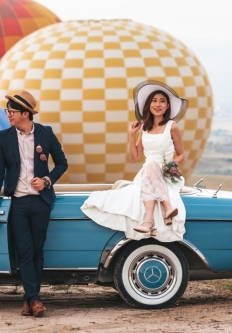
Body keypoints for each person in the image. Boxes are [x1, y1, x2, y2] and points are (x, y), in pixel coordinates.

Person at [0, 90, 68, 318]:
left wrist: (47, 181)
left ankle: (29, 300)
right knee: (25, 252)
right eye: (7, 110)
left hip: (41, 202)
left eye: (12, 111)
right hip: (17, 203)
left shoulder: (46, 134)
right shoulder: (4, 137)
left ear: (26, 113)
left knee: (38, 251)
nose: (8, 114)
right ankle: (35, 299)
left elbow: (61, 163)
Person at [80, 81, 187, 242]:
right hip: (147, 173)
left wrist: (171, 164)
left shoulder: (172, 127)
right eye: (154, 100)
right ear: (148, 104)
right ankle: (165, 209)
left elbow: (181, 154)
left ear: (167, 106)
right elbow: (134, 157)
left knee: (151, 165)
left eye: (162, 101)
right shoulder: (144, 128)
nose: (158, 104)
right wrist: (131, 134)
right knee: (150, 165)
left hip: (167, 173)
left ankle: (149, 219)